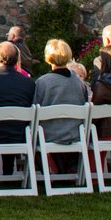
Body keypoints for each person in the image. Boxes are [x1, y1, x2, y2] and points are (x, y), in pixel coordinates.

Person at [34, 38, 91, 173]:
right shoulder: (79, 82)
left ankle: (50, 169)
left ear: (49, 58)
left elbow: (35, 110)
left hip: (49, 135)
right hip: (75, 133)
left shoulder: (43, 82)